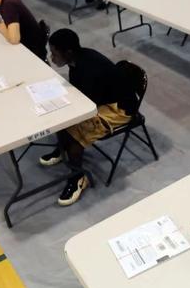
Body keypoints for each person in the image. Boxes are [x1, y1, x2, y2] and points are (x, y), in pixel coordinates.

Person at [38, 29, 135, 206]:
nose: (52, 57)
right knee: (62, 118)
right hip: (102, 100)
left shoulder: (91, 69)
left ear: (68, 52)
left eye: (55, 53)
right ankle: (63, 148)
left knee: (75, 130)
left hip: (119, 109)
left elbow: (88, 107)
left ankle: (78, 178)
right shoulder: (77, 59)